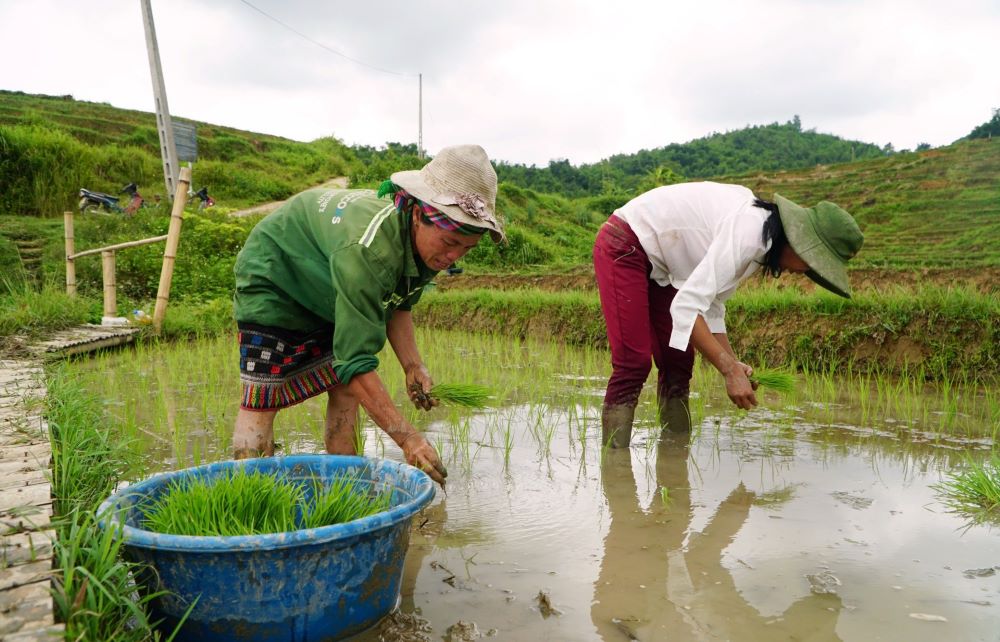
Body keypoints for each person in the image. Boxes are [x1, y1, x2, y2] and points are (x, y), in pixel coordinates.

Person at [231, 144, 505, 486]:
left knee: (345, 387)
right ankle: (248, 490)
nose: (454, 256)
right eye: (450, 243)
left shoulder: (427, 247)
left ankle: (345, 486)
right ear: (419, 215)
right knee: (263, 395)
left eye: (466, 248)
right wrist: (408, 439)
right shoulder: (370, 250)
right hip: (277, 270)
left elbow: (397, 302)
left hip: (329, 280)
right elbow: (356, 360)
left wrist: (412, 365)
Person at [592, 181, 863, 447]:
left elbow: (711, 306)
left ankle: (674, 458)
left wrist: (733, 365)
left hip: (663, 268)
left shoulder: (761, 243)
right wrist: (728, 369)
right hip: (625, 243)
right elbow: (685, 307)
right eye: (811, 264)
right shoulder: (749, 233)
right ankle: (616, 469)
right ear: (799, 242)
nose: (805, 272)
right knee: (634, 362)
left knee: (679, 361)